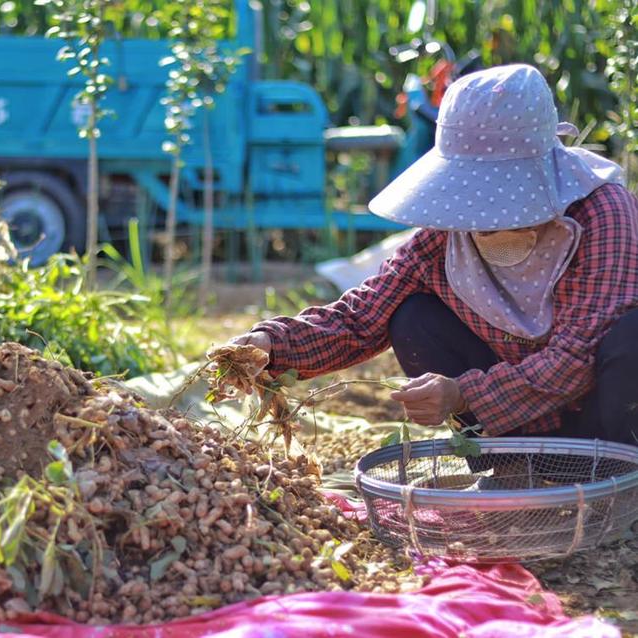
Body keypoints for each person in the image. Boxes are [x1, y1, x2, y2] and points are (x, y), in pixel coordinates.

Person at [212, 64, 638, 445]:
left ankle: (620, 476)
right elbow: (360, 319)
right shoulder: (444, 236)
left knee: (630, 336)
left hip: (606, 415)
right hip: (517, 426)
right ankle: (509, 465)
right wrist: (271, 346)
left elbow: (578, 355)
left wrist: (465, 394)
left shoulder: (600, 212)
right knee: (413, 316)